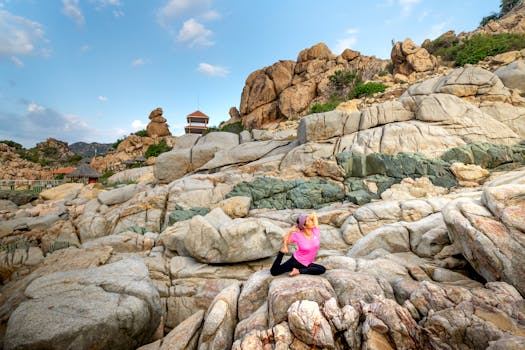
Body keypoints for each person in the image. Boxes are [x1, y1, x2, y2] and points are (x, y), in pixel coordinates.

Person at [270, 212, 326, 277]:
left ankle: (298, 271)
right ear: (304, 226)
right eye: (309, 221)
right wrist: (290, 231)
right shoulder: (298, 235)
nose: (312, 221)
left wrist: (306, 218)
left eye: (311, 220)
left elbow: (314, 214)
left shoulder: (315, 230)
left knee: (322, 269)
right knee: (274, 272)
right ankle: (281, 254)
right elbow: (286, 240)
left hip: (307, 264)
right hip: (296, 261)